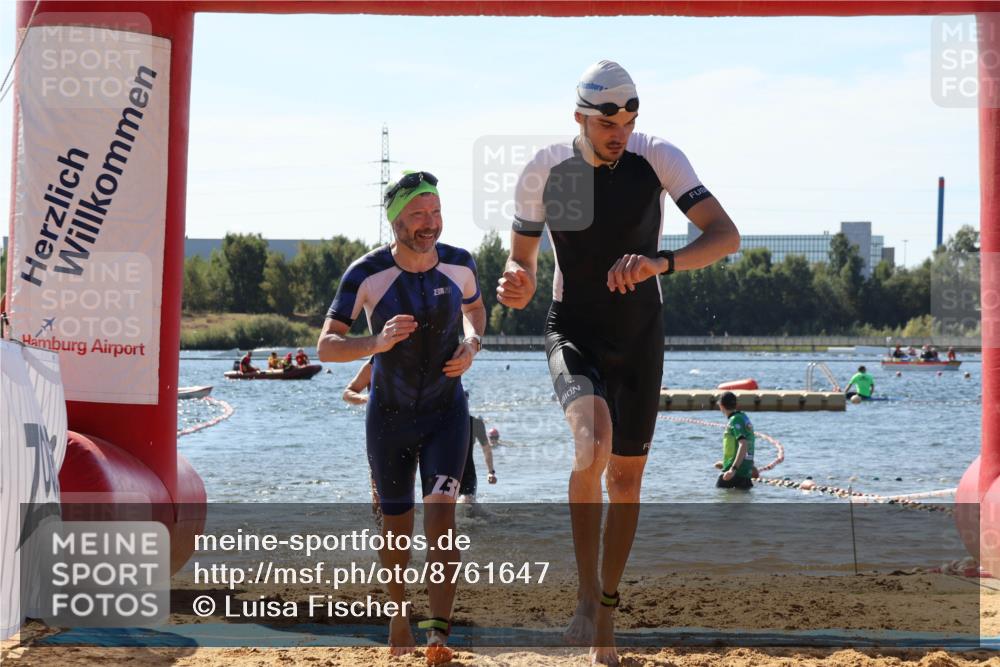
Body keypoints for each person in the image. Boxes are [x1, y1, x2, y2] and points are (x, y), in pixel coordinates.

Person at [496, 60, 739, 664]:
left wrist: (662, 263)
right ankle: (584, 598)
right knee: (591, 447)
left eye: (630, 118)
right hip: (572, 328)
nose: (621, 130)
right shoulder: (546, 170)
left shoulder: (656, 157)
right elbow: (522, 262)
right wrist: (517, 283)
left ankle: (605, 609)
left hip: (640, 336)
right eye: (610, 120)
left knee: (626, 480)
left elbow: (725, 235)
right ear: (580, 116)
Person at [317, 170, 486, 663]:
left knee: (441, 519)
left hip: (446, 413)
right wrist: (376, 342)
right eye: (417, 215)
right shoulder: (365, 274)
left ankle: (438, 636)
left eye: (435, 213)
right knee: (395, 528)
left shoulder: (460, 264)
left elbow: (477, 312)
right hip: (388, 419)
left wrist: (472, 344)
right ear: (395, 221)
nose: (429, 224)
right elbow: (326, 346)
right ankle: (397, 612)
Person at [459, 392, 498, 504]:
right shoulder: (443, 423)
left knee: (467, 506)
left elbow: (486, 450)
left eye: (464, 402)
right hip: (446, 473)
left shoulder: (476, 424)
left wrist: (491, 472)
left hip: (468, 474)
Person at [716, 391, 755, 490]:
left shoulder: (734, 420)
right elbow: (750, 443)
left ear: (721, 406)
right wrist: (752, 466)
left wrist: (732, 469)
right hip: (746, 472)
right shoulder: (744, 417)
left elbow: (743, 444)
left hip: (734, 473)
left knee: (718, 500)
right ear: (736, 404)